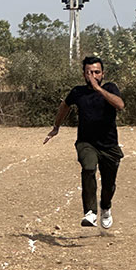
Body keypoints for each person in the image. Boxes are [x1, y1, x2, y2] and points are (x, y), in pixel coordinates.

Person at [44, 55, 125, 229]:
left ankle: (105, 207)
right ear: (83, 74)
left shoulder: (110, 88)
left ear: (102, 74)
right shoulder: (77, 92)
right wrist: (56, 126)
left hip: (109, 145)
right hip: (86, 142)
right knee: (88, 168)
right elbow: (65, 106)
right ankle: (90, 212)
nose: (92, 75)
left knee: (109, 183)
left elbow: (119, 105)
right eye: (89, 72)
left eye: (96, 72)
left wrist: (99, 89)